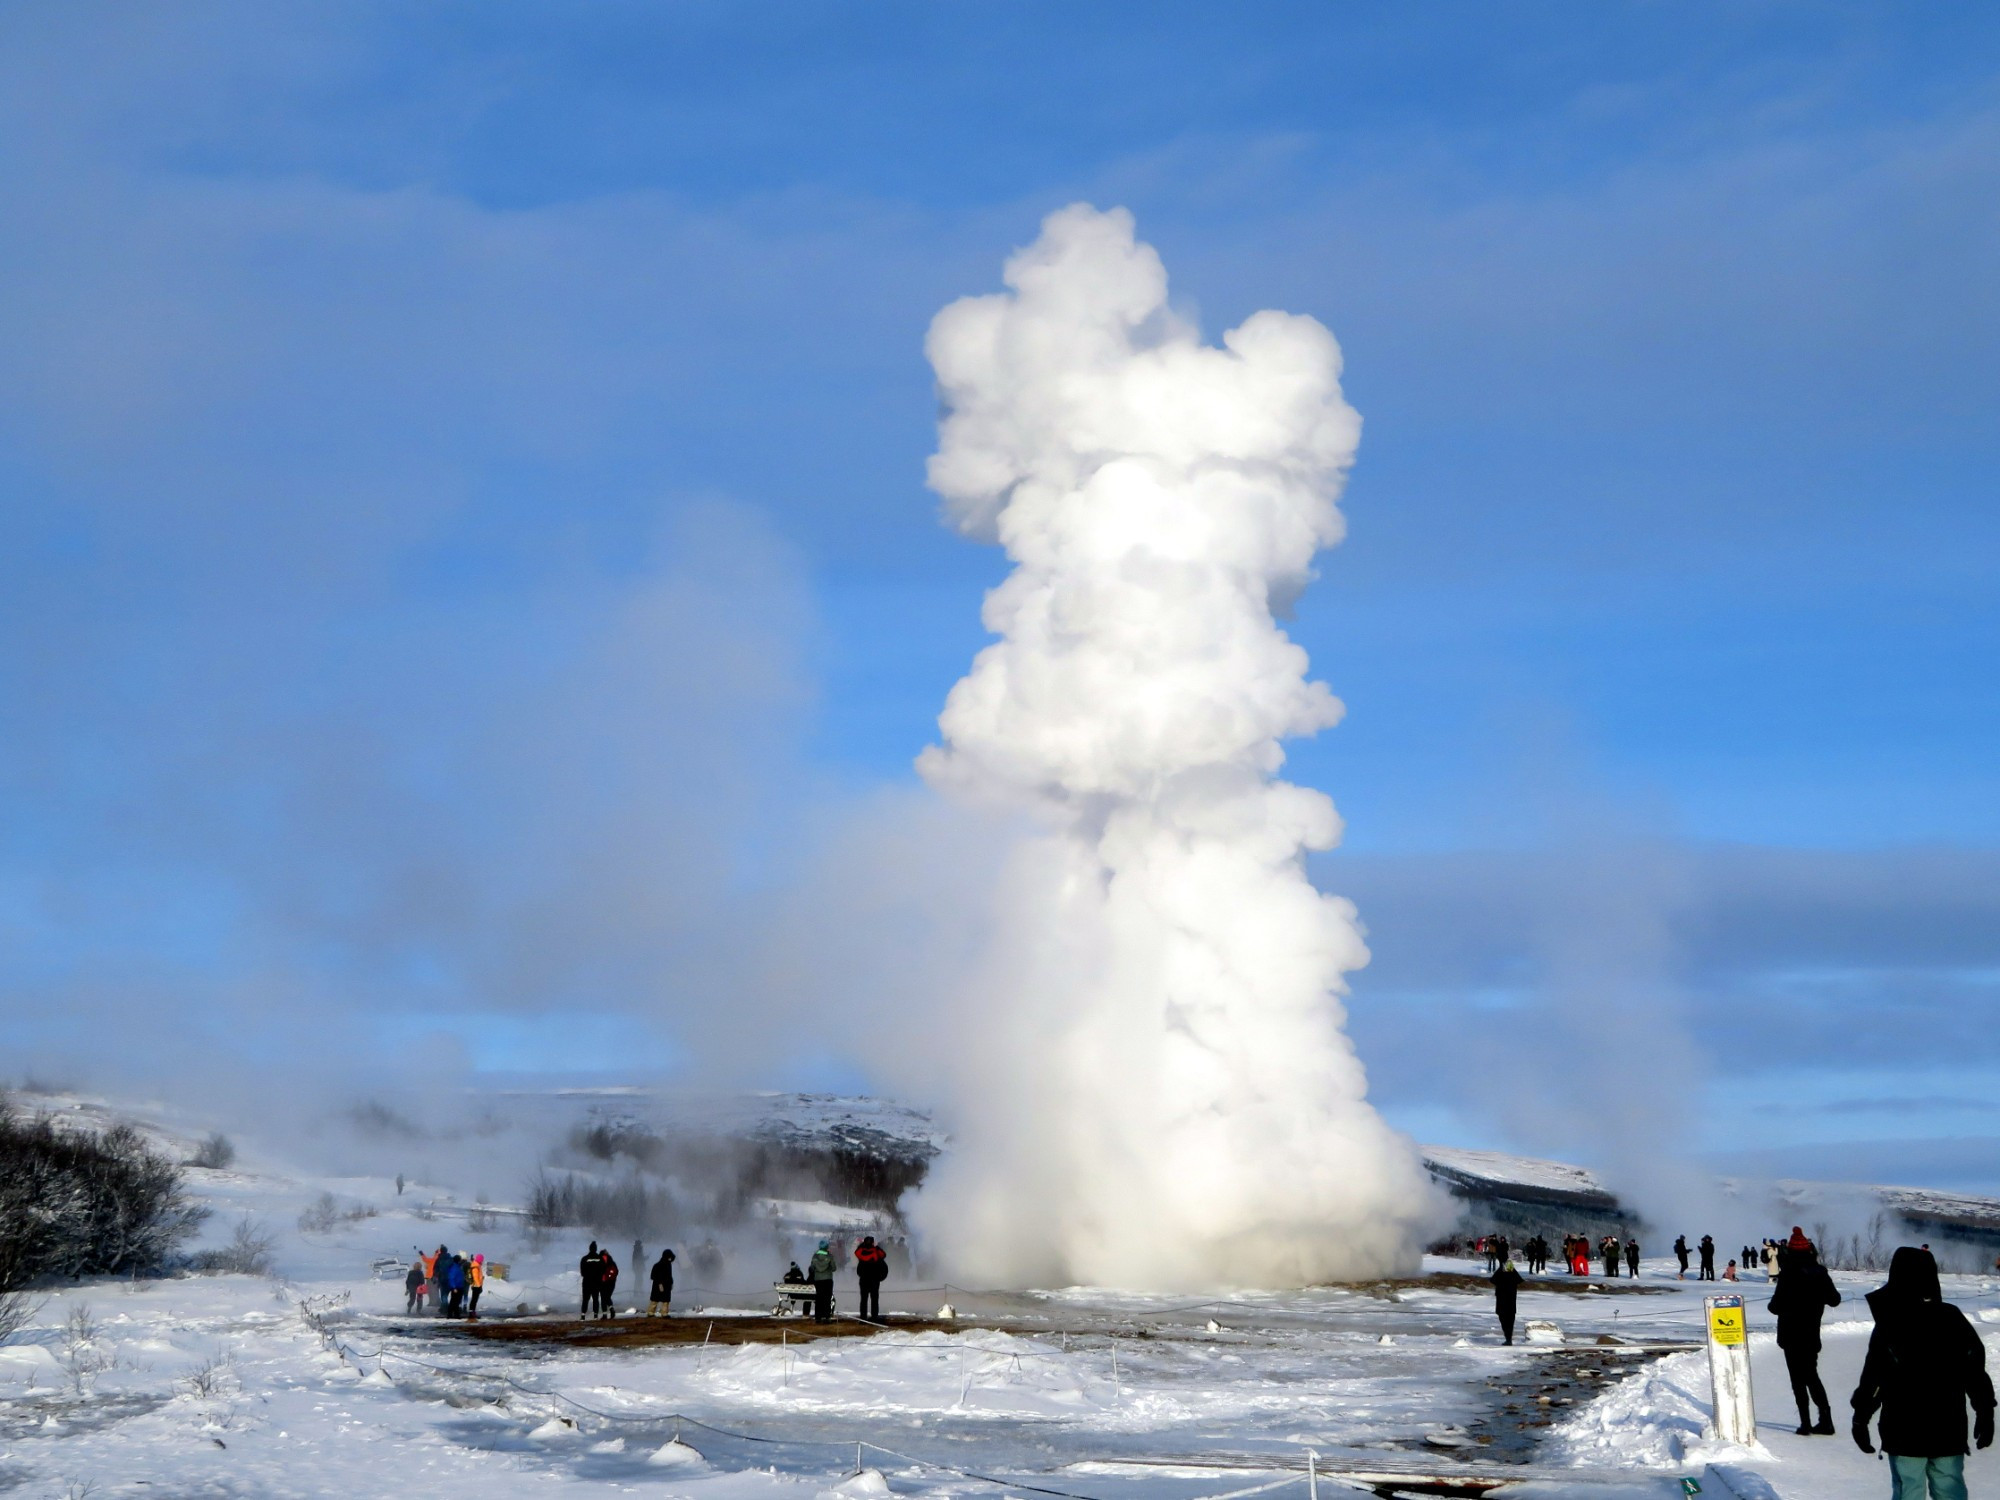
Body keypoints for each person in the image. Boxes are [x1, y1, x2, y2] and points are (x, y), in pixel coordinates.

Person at [1852, 1246, 1995, 1498]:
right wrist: (1984, 1410)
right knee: (1950, 1489)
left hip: (1903, 1430)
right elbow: (1974, 1370)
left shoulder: (1890, 1323)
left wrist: (1861, 1417)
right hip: (1947, 1429)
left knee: (1909, 1491)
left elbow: (1874, 1378)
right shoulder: (1952, 1317)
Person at [1770, 1240, 1840, 1435]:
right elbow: (1834, 1299)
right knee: (1812, 1376)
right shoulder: (1820, 1272)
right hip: (1811, 1334)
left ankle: (1805, 1423)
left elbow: (1774, 1307)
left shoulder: (1787, 1275)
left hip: (1790, 1334)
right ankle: (1825, 1420)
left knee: (1797, 1380)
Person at [855, 1235, 888, 1321]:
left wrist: (863, 1244)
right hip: (874, 1279)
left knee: (863, 1299)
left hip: (863, 1279)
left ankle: (863, 1317)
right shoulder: (876, 1251)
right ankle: (874, 1316)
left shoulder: (861, 1251)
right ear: (873, 1243)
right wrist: (876, 1246)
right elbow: (884, 1254)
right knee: (874, 1299)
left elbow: (856, 1252)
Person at [1492, 1257, 1523, 1346]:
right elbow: (1519, 1280)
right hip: (1511, 1303)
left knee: (1503, 1320)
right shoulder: (1513, 1274)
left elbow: (1492, 1280)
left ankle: (1508, 1338)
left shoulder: (1500, 1273)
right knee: (1510, 1321)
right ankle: (1508, 1338)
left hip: (1502, 1302)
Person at [809, 1238, 835, 1323]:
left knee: (819, 1298)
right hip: (827, 1279)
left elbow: (812, 1268)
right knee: (827, 1298)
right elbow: (834, 1268)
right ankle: (827, 1316)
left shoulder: (815, 1256)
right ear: (826, 1247)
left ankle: (818, 1317)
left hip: (818, 1280)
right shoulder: (829, 1256)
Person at [579, 1241, 604, 1320]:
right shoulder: (600, 1259)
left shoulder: (584, 1258)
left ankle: (583, 1315)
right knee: (595, 1299)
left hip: (587, 1282)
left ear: (589, 1249)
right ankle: (595, 1315)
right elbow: (603, 1270)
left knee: (585, 1299)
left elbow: (582, 1272)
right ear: (596, 1249)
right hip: (596, 1282)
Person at [649, 1247, 676, 1317]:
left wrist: (671, 1282)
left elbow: (669, 1275)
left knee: (661, 1300)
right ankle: (657, 1312)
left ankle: (653, 1312)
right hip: (660, 1284)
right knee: (658, 1299)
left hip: (664, 1285)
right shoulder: (662, 1265)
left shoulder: (664, 1264)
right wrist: (660, 1283)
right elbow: (653, 1276)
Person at [599, 1248, 620, 1318]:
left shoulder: (599, 1260)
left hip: (602, 1281)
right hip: (611, 1282)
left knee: (603, 1297)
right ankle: (611, 1309)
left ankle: (605, 1314)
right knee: (607, 1296)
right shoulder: (611, 1261)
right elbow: (616, 1271)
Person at [468, 1253, 485, 1319]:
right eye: (482, 1259)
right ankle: (471, 1313)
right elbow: (475, 1277)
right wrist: (479, 1286)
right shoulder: (475, 1266)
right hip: (476, 1286)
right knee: (474, 1300)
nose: (482, 1261)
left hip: (476, 1285)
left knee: (474, 1300)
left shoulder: (477, 1265)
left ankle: (472, 1312)